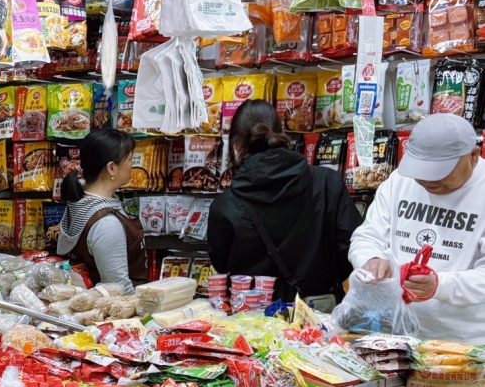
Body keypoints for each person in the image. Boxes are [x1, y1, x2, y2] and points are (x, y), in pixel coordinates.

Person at [206, 99, 361, 306]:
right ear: (281, 132)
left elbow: (222, 265)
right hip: (318, 314)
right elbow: (351, 250)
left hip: (252, 318)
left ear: (236, 144)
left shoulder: (225, 205)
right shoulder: (327, 183)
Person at [348, 112, 485, 343]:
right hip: (394, 332)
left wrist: (439, 285)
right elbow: (368, 236)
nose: (427, 181)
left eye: (440, 171)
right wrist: (370, 259)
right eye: (420, 170)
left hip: (464, 344)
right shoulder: (399, 181)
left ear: (473, 155)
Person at [55, 128, 146, 287]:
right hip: (118, 308)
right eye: (130, 159)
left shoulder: (80, 203)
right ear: (112, 168)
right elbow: (118, 289)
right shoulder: (107, 223)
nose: (133, 165)